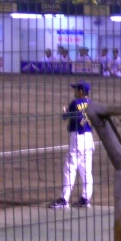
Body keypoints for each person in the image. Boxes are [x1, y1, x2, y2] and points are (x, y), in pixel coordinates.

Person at [49, 80, 94, 209]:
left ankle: (64, 199)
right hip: (89, 138)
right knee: (86, 171)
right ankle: (86, 199)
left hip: (77, 139)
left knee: (70, 167)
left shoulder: (75, 102)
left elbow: (65, 116)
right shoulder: (91, 104)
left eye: (75, 89)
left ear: (80, 92)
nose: (74, 92)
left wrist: (64, 111)